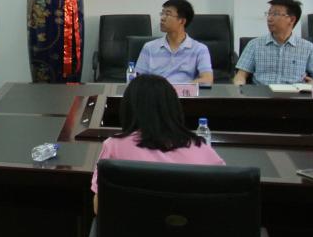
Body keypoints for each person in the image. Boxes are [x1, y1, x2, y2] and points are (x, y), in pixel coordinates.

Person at [91, 74, 225, 213]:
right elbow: (225, 196)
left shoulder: (114, 146)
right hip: (190, 225)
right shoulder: (201, 147)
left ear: (128, 108)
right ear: (174, 107)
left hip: (132, 226)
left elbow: (99, 208)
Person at [233, 0, 313, 86]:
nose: (269, 18)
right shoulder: (254, 44)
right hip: (262, 95)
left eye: (275, 14)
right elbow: (241, 75)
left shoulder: (307, 48)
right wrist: (239, 88)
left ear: (291, 20)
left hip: (294, 97)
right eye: (269, 13)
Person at [135, 0, 214, 85]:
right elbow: (137, 80)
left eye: (167, 14)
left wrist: (181, 88)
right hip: (156, 92)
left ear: (182, 21)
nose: (162, 18)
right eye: (162, 13)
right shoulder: (149, 47)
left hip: (184, 93)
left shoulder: (199, 49)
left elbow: (207, 79)